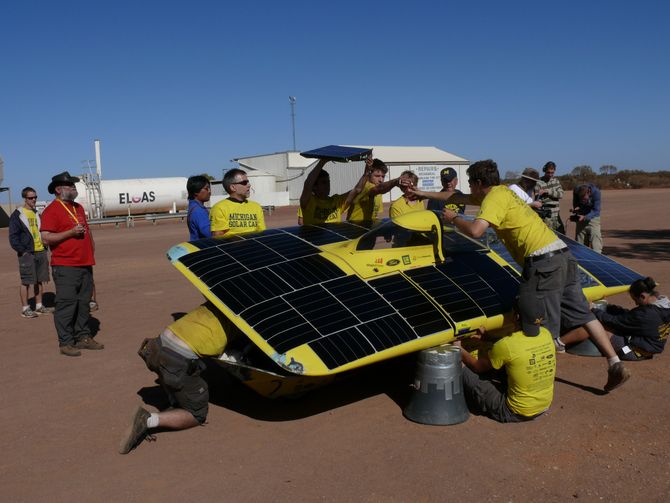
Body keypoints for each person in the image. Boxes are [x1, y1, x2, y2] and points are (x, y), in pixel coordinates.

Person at [441, 160, 629, 392]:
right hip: (562, 253)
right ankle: (614, 362)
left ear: (479, 183)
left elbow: (476, 230)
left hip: (542, 262)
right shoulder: (503, 191)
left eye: (470, 183)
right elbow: (457, 198)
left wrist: (454, 219)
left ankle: (536, 383)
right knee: (584, 314)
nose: (468, 187)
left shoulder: (493, 199)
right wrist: (419, 193)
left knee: (535, 321)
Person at [119, 302, 235, 454]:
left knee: (174, 368)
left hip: (155, 347)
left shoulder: (215, 302)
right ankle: (147, 420)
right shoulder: (246, 319)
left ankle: (174, 399)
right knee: (197, 414)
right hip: (175, 361)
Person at [455, 298, 556, 423]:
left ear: (515, 316)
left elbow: (477, 366)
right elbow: (514, 349)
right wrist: (488, 337)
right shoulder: (546, 334)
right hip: (543, 406)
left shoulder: (508, 345)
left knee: (465, 370)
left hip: (512, 411)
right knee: (508, 363)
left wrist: (458, 348)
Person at [40, 172, 104, 357]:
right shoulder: (52, 210)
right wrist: (70, 233)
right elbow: (46, 238)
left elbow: (87, 231)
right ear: (59, 190)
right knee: (67, 304)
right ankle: (66, 342)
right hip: (65, 265)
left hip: (85, 264)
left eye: (74, 186)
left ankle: (83, 337)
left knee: (84, 303)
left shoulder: (78, 207)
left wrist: (91, 249)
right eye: (70, 186)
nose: (74, 189)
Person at [556, 277, 670, 360]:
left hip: (633, 351)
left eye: (636, 300)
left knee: (594, 325)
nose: (635, 303)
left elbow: (616, 321)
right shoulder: (663, 306)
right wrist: (610, 307)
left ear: (643, 296)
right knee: (603, 322)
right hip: (646, 348)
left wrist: (594, 310)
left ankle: (559, 343)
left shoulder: (646, 314)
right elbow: (629, 316)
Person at [8, 187, 54, 318]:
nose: (33, 199)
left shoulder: (37, 213)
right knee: (26, 281)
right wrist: (22, 251)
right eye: (30, 198)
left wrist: (45, 246)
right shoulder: (18, 215)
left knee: (40, 280)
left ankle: (39, 306)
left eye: (35, 197)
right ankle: (25, 308)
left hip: (40, 251)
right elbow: (13, 236)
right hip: (27, 253)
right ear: (25, 198)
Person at [297, 159, 367, 225]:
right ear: (314, 186)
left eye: (328, 182)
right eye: (324, 182)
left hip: (334, 238)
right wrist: (322, 162)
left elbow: (357, 189)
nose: (328, 185)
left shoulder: (337, 201)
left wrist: (367, 172)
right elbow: (308, 185)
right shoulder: (308, 202)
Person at [210, 169, 266, 236]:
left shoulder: (256, 206)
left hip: (253, 246)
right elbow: (218, 237)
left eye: (248, 182)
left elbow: (262, 233)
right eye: (244, 183)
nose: (249, 185)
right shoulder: (219, 208)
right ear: (233, 187)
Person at [571, 183, 602, 253]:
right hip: (581, 216)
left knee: (596, 242)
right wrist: (576, 209)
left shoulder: (596, 193)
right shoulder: (576, 190)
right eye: (581, 199)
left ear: (589, 192)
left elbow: (596, 210)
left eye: (584, 199)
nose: (582, 201)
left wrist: (586, 217)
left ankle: (597, 258)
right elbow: (575, 203)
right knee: (579, 243)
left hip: (593, 217)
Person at [535, 161, 565, 234]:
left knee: (562, 236)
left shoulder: (556, 181)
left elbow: (561, 194)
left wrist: (548, 191)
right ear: (544, 171)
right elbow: (536, 199)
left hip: (556, 215)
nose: (550, 175)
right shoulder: (538, 183)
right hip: (546, 217)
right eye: (548, 172)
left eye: (552, 173)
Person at [186, 175, 212, 240]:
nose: (209, 191)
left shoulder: (194, 206)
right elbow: (209, 234)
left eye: (209, 188)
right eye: (206, 188)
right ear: (196, 191)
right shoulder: (198, 211)